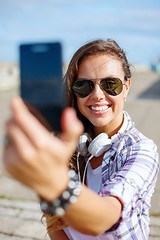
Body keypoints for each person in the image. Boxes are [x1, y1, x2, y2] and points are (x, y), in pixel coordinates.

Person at [3, 39, 159, 239]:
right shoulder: (66, 147)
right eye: (84, 86)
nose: (97, 95)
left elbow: (107, 217)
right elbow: (55, 224)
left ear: (126, 86)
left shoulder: (142, 150)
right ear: (74, 92)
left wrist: (55, 183)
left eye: (110, 84)